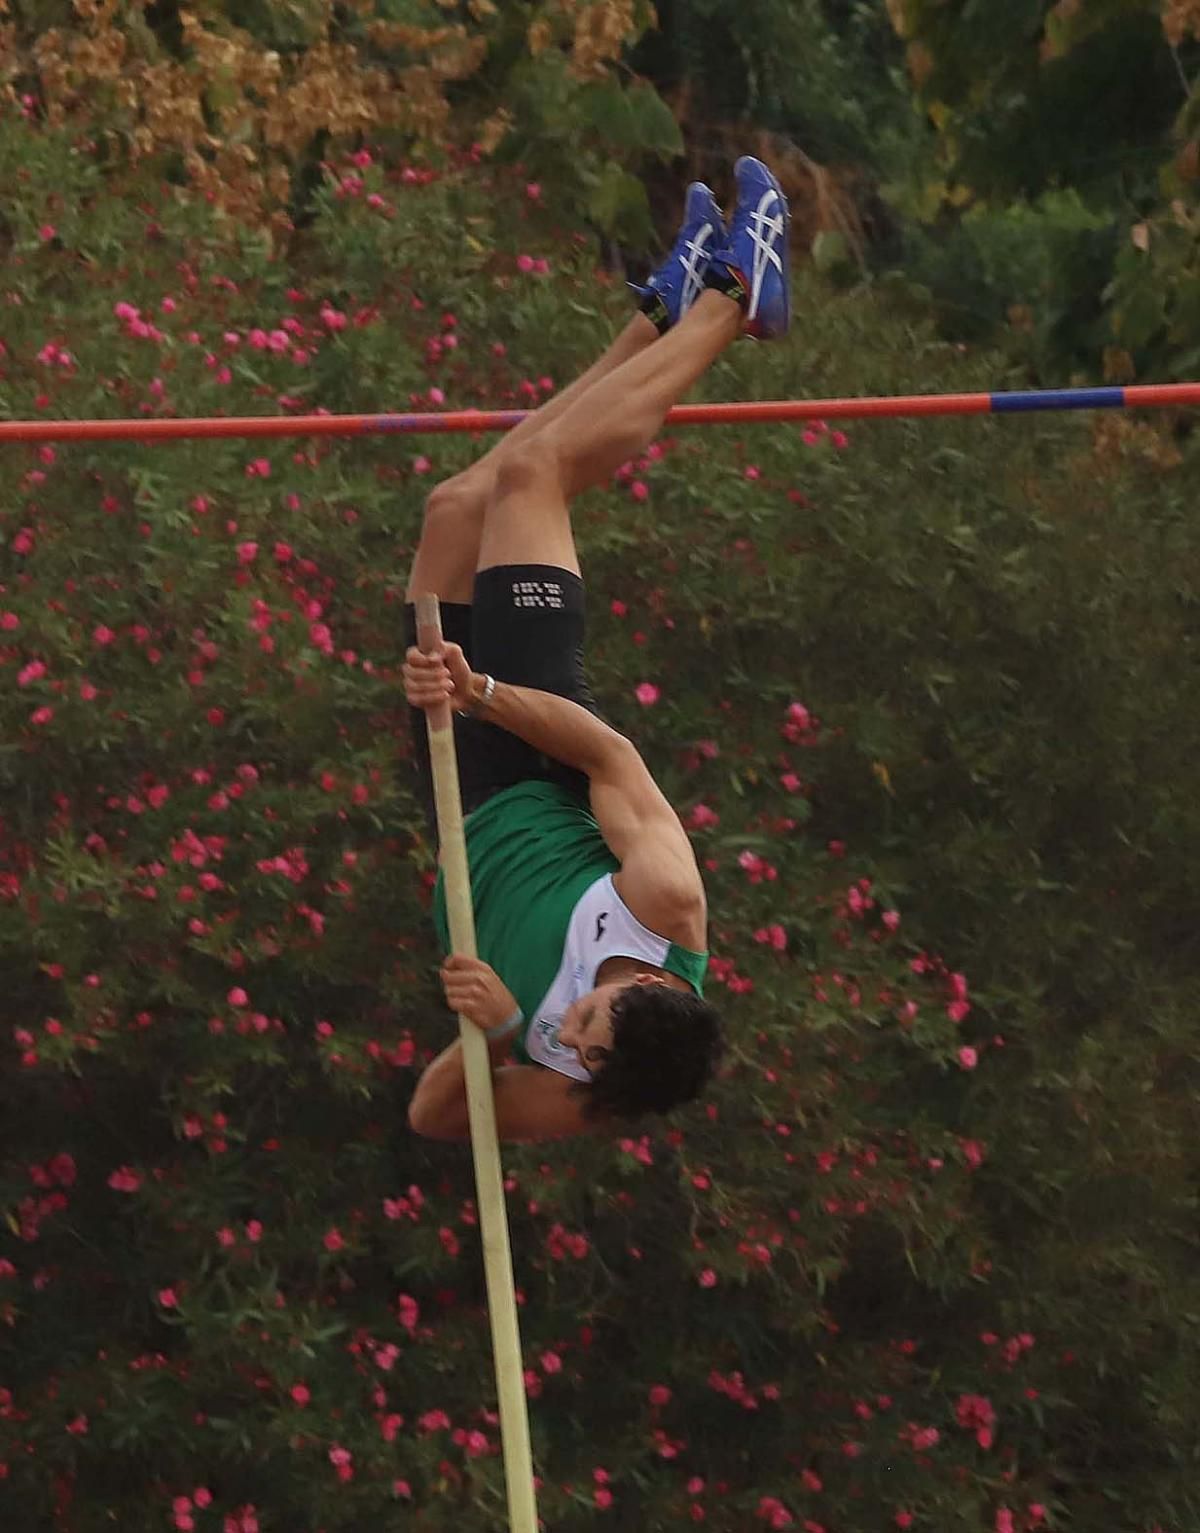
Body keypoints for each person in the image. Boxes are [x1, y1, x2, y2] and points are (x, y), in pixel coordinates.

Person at [401, 157, 790, 1142]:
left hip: (467, 802)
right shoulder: (663, 900)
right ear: (651, 980)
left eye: (572, 1035)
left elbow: (433, 1120)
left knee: (454, 510)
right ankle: (735, 302)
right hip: (536, 746)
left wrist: (494, 1033)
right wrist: (482, 687)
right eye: (587, 1018)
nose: (567, 1029)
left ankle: (658, 316)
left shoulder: (582, 1087)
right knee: (533, 472)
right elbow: (611, 755)